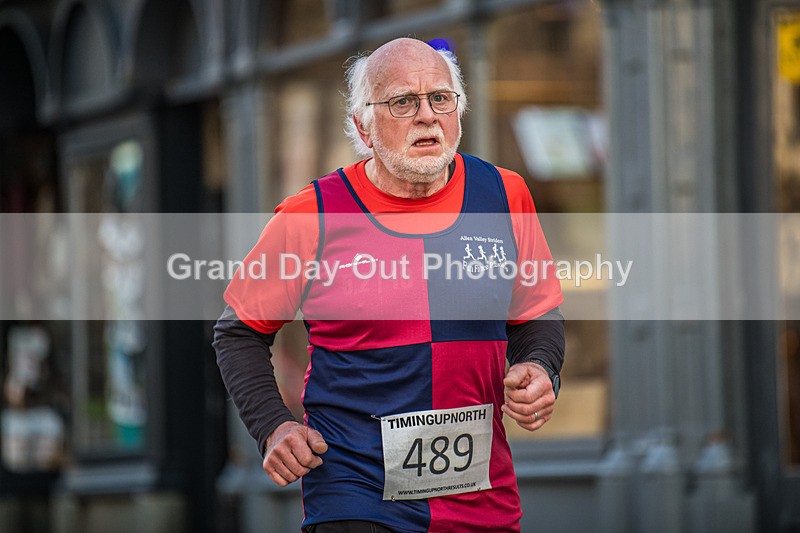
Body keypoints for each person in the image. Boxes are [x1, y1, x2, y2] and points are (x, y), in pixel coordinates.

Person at [214, 37, 565, 533]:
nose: (427, 115)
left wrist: (539, 366)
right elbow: (238, 332)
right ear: (363, 126)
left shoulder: (503, 194)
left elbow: (535, 311)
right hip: (355, 489)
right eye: (403, 102)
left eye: (441, 98)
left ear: (459, 111)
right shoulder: (311, 215)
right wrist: (273, 425)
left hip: (480, 498)